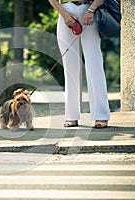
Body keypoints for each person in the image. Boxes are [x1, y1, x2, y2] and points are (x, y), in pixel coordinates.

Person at [48, 0, 110, 128]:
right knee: (70, 67)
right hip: (66, 11)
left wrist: (91, 9)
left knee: (94, 65)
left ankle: (101, 115)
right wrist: (64, 14)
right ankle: (71, 116)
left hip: (89, 10)